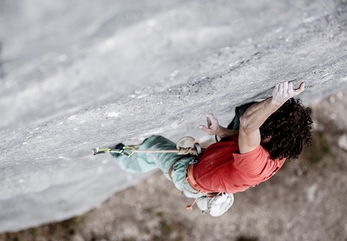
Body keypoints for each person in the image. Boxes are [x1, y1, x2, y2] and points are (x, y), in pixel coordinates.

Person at [110, 81, 313, 215]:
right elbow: (250, 135)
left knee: (154, 144)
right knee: (248, 111)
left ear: (269, 135)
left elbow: (249, 124)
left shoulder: (256, 165)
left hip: (188, 177)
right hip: (216, 164)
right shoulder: (280, 149)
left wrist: (277, 101)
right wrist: (222, 132)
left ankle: (123, 158)